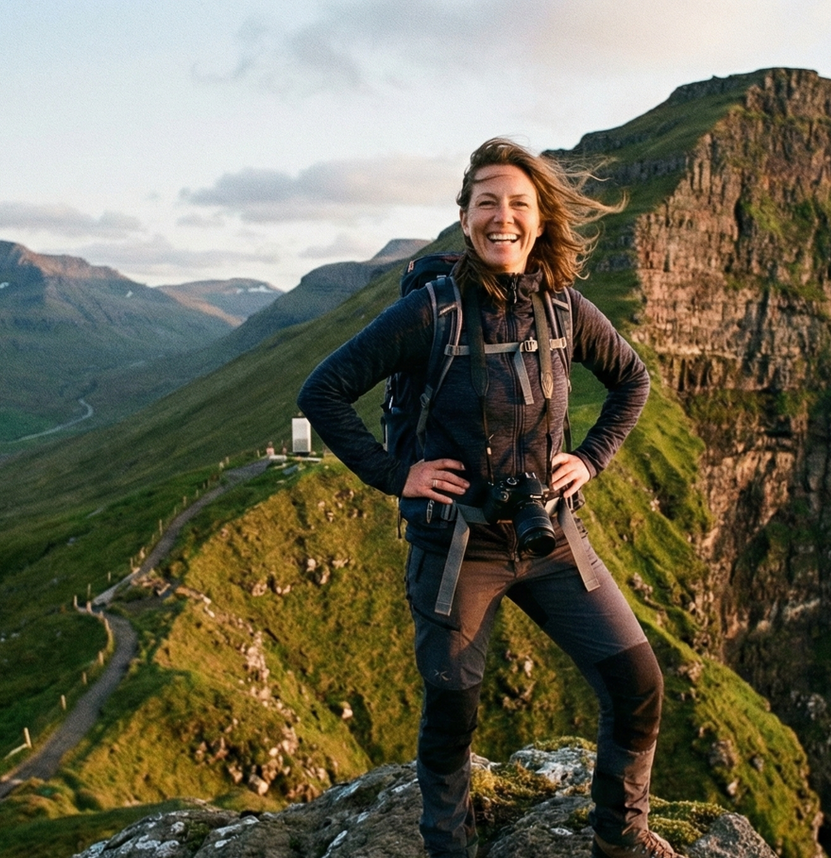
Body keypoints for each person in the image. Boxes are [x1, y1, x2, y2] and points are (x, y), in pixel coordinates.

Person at [298, 138, 676, 858]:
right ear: (464, 217)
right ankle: (450, 847)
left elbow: (633, 381)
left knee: (638, 683)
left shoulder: (564, 309)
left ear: (539, 220)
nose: (502, 217)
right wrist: (393, 473)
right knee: (452, 712)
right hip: (457, 548)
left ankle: (621, 840)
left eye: (518, 204)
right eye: (486, 204)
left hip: (550, 536)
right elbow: (323, 391)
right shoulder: (430, 313)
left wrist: (590, 459)